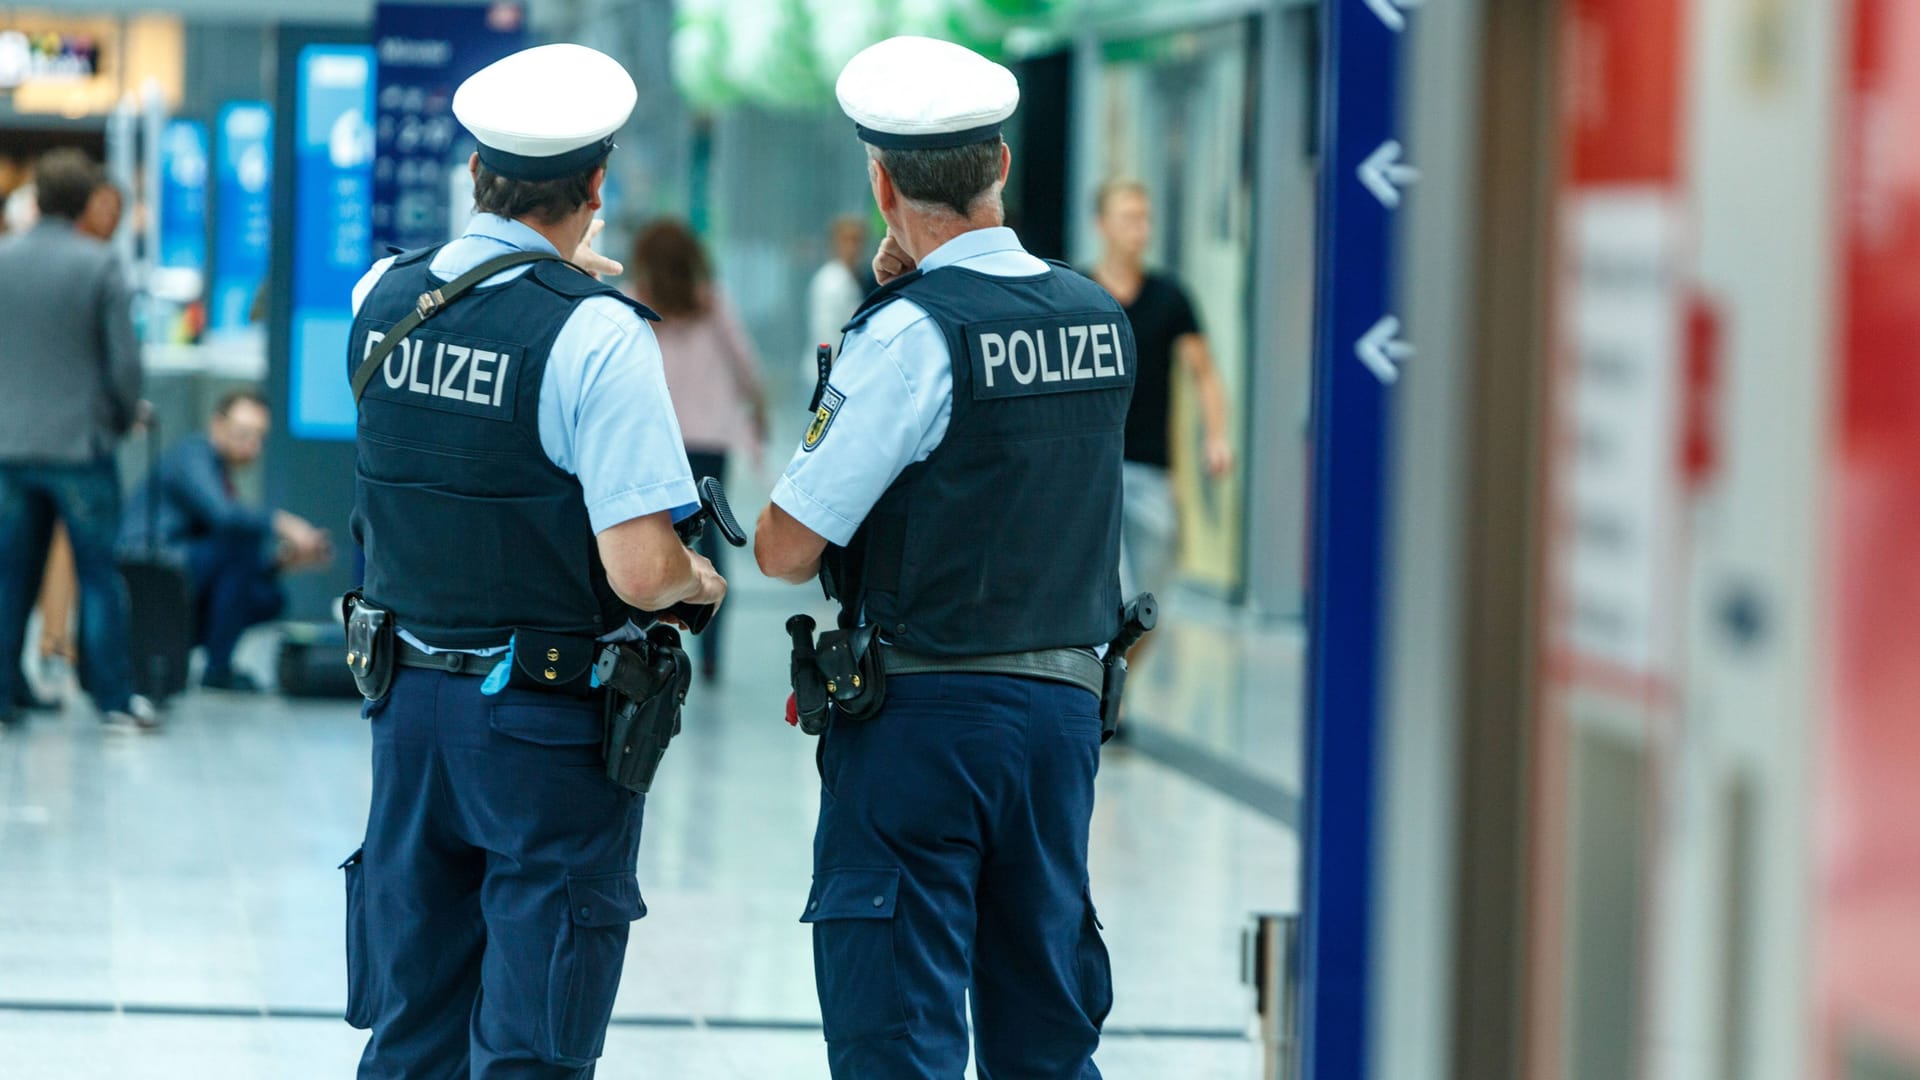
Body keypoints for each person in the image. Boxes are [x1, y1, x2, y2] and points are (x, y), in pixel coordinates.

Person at [340, 44, 725, 1079]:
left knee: (412, 1024)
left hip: (407, 709)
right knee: (532, 1044)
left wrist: (547, 277)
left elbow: (468, 341)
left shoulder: (381, 294)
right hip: (545, 731)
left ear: (476, 174)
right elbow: (641, 570)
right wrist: (701, 579)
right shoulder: (597, 338)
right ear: (597, 187)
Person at [754, 36, 1132, 1079]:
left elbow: (787, 547)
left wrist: (877, 329)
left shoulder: (908, 335)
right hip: (1061, 718)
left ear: (882, 183)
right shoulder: (1100, 318)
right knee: (1044, 1025)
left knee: (899, 1032)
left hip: (926, 722)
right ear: (1000, 165)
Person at [0, 149, 152, 732]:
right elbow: (124, 366)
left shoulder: (4, 259)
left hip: (10, 448)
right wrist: (118, 418)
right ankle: (113, 698)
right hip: (79, 448)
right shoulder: (99, 266)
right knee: (97, 575)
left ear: (36, 197)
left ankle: (8, 691)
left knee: (11, 574)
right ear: (87, 201)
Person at [119, 389, 332, 691]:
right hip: (148, 568)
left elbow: (230, 574)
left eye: (259, 437)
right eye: (243, 432)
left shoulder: (217, 470)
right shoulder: (192, 455)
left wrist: (281, 564)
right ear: (217, 424)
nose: (251, 446)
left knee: (266, 596)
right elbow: (225, 518)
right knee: (239, 541)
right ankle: (217, 668)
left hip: (178, 573)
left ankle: (197, 658)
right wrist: (282, 523)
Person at [1088, 179, 1235, 617]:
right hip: (1093, 465)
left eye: (1145, 218)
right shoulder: (1079, 293)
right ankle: (1103, 680)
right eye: (1129, 218)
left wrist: (1216, 436)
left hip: (1150, 467)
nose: (1141, 228)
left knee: (1147, 603)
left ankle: (1119, 678)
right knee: (1108, 589)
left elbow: (1204, 373)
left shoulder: (1170, 298)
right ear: (1103, 225)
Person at [629, 218, 766, 682]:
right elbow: (745, 364)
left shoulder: (636, 301)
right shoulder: (711, 301)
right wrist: (758, 412)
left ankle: (648, 647)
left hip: (657, 442)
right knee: (714, 545)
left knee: (649, 540)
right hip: (710, 442)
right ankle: (710, 657)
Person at [808, 213, 875, 363]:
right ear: (835, 243)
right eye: (847, 240)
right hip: (830, 368)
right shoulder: (829, 281)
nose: (853, 247)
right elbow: (826, 334)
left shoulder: (862, 278)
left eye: (857, 241)